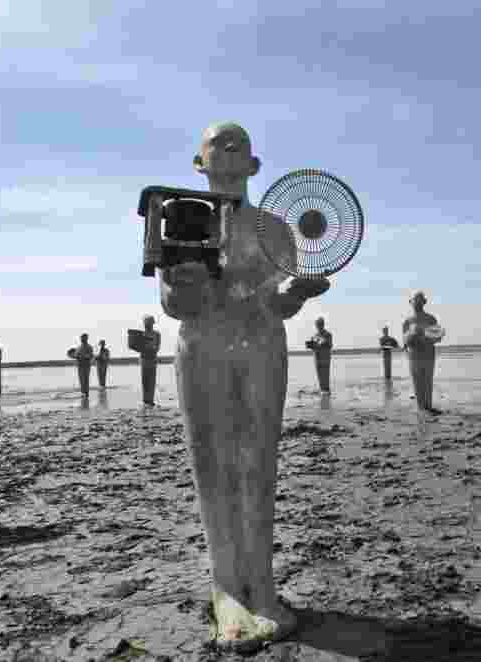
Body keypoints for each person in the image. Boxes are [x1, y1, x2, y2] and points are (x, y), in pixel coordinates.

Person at [157, 122, 328, 650]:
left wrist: (296, 295)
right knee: (211, 462)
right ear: (198, 163)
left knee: (258, 460)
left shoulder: (276, 228)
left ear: (255, 166)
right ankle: (225, 585)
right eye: (218, 142)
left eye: (241, 143)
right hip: (202, 346)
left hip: (261, 347)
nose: (230, 147)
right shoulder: (179, 219)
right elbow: (174, 306)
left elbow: (274, 304)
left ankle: (263, 584)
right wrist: (186, 285)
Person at [403, 291, 442, 414]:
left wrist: (426, 335)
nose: (417, 302)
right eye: (415, 300)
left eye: (420, 300)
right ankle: (420, 407)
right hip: (414, 354)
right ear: (411, 302)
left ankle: (428, 405)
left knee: (427, 379)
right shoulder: (408, 321)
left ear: (424, 302)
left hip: (428, 353)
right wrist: (411, 336)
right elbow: (404, 341)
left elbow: (438, 337)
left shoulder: (431, 319)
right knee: (416, 379)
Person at [138, 316, 160, 406]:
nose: (146, 326)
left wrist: (150, 348)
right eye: (146, 324)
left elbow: (157, 347)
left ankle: (150, 400)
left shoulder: (156, 334)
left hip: (152, 359)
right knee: (144, 380)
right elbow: (137, 346)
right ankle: (145, 400)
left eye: (148, 324)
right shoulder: (141, 334)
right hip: (143, 359)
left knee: (151, 380)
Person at [307, 317, 333, 394]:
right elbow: (313, 347)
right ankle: (322, 391)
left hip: (325, 359)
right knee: (320, 377)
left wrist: (321, 344)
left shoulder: (328, 334)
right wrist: (311, 345)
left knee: (325, 377)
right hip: (317, 358)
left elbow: (329, 345)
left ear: (323, 325)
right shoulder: (314, 336)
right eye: (317, 325)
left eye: (320, 324)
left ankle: (327, 391)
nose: (318, 326)